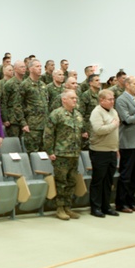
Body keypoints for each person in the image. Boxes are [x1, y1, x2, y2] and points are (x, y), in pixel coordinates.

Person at [43, 89, 85, 221]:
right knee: (61, 182)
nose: (75, 100)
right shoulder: (56, 114)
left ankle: (68, 207)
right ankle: (60, 208)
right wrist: (50, 151)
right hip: (61, 153)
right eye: (72, 98)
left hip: (74, 153)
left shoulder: (77, 115)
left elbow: (80, 133)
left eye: (75, 98)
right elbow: (48, 134)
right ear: (64, 99)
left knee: (71, 181)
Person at [88, 89, 120, 218]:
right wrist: (113, 125)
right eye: (110, 99)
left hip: (112, 150)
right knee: (98, 180)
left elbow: (116, 130)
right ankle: (95, 207)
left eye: (113, 99)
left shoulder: (114, 111)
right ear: (101, 100)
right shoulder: (96, 112)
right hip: (100, 151)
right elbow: (99, 130)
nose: (113, 101)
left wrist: (117, 148)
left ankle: (106, 206)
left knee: (108, 181)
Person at [115, 75, 135, 213]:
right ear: (127, 85)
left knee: (134, 175)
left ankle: (131, 201)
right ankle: (121, 203)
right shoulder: (121, 99)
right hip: (127, 142)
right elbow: (126, 119)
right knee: (126, 175)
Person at [15, 59, 50, 152]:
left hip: (44, 126)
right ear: (30, 69)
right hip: (32, 126)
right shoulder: (25, 85)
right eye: (37, 66)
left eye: (40, 66)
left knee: (44, 155)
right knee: (33, 155)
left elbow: (46, 104)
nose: (40, 68)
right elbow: (17, 105)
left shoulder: (43, 85)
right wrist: (23, 123)